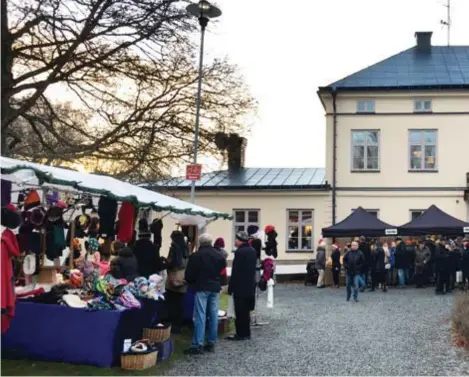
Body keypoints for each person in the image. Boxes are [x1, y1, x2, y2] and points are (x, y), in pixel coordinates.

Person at [184, 233, 226, 355]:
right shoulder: (219, 256)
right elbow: (221, 270)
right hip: (215, 287)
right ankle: (211, 342)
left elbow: (189, 275)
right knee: (213, 315)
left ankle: (197, 344)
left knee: (200, 315)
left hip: (201, 287)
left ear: (200, 243)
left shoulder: (196, 256)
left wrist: (191, 282)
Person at [227, 231, 257, 341]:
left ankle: (240, 333)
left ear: (240, 240)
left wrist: (231, 287)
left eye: (236, 239)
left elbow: (236, 271)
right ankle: (246, 332)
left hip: (240, 285)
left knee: (239, 311)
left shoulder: (239, 252)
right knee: (246, 311)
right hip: (249, 284)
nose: (235, 241)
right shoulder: (252, 251)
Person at [165, 230, 190, 333]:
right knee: (180, 303)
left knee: (172, 303)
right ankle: (178, 324)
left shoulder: (175, 249)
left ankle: (173, 326)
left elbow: (173, 263)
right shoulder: (186, 249)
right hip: (183, 279)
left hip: (174, 279)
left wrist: (166, 262)